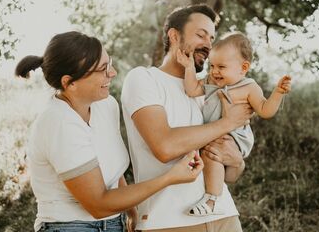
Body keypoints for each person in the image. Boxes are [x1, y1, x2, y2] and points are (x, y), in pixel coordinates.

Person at [15, 31, 204, 232]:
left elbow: (114, 175)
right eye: (103, 69)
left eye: (110, 63)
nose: (112, 73)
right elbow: (98, 205)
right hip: (69, 226)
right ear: (70, 82)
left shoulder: (105, 105)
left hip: (115, 223)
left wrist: (132, 213)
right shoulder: (58, 122)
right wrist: (170, 177)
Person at [121, 4, 253, 231]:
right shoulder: (144, 79)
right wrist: (228, 122)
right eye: (200, 35)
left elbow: (230, 174)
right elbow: (165, 146)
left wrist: (237, 161)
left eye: (212, 38)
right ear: (174, 36)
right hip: (169, 221)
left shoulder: (211, 89)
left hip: (225, 217)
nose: (208, 44)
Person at [178, 32, 292, 216]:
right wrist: (189, 67)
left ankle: (212, 200)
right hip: (214, 133)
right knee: (208, 156)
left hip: (234, 137)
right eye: (212, 65)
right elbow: (191, 90)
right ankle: (213, 191)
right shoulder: (210, 81)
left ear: (243, 67)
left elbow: (265, 110)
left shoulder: (249, 87)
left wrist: (278, 93)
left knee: (212, 156)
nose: (215, 71)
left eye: (221, 67)